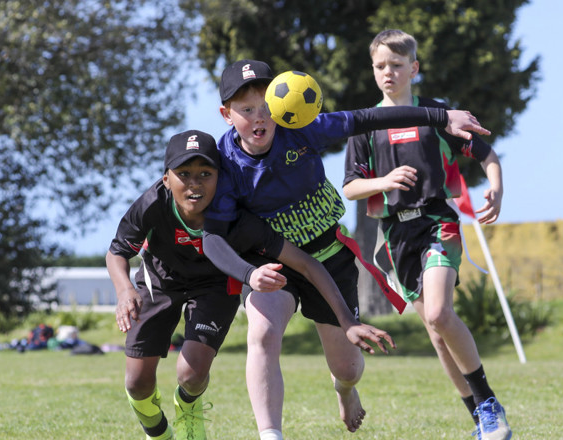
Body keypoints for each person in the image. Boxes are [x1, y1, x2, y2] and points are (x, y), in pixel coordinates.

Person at [201, 59, 491, 440]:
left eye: (265, 106)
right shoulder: (226, 167)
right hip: (273, 260)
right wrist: (248, 274)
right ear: (226, 115)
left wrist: (442, 116)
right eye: (246, 109)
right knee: (263, 333)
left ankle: (345, 390)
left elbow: (367, 118)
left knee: (349, 368)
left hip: (329, 255)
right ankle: (270, 434)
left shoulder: (302, 130)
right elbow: (212, 237)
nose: (259, 117)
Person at [106, 129, 394, 440]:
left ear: (221, 178)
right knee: (137, 383)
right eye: (183, 174)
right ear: (166, 179)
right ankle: (160, 435)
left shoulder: (237, 219)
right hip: (160, 282)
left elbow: (306, 264)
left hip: (214, 285)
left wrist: (347, 321)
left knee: (190, 375)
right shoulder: (152, 204)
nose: (194, 183)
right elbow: (117, 252)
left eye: (205, 173)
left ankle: (188, 407)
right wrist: (124, 291)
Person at [342, 30, 511, 440]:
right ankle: (479, 418)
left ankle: (489, 403)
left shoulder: (437, 115)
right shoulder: (364, 126)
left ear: (413, 68)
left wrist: (496, 187)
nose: (388, 73)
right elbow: (349, 188)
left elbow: (487, 154)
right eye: (380, 66)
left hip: (438, 221)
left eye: (396, 65)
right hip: (396, 237)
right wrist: (383, 181)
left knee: (438, 313)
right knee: (437, 335)